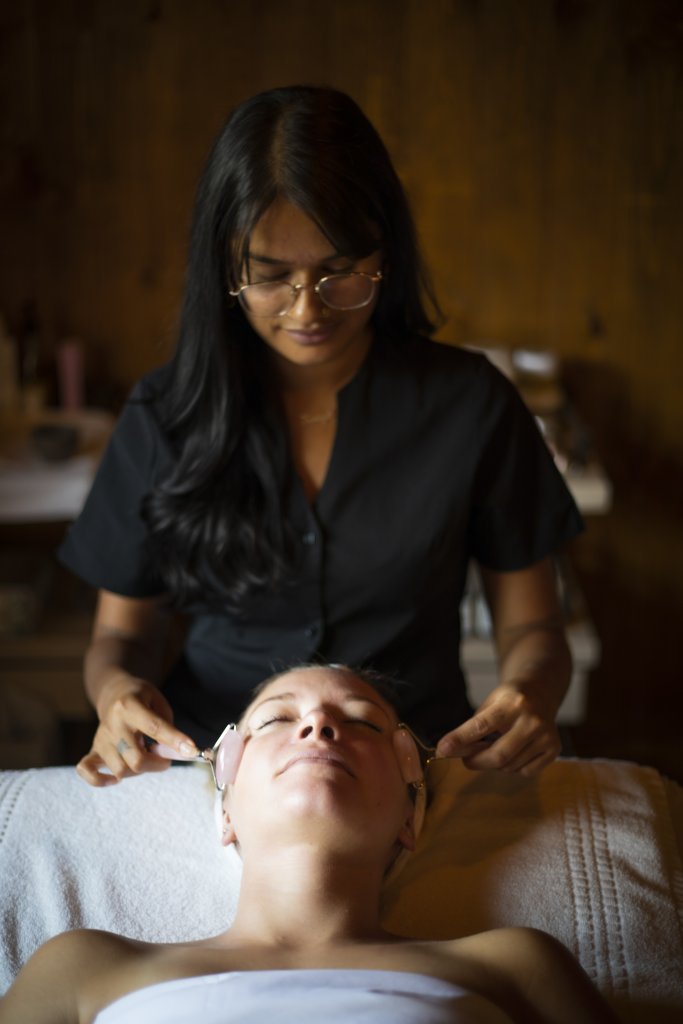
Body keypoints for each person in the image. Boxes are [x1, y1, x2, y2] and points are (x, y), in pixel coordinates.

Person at [58, 85, 584, 788]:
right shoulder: (165, 414)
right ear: (225, 268)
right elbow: (121, 637)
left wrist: (531, 693)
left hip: (415, 762)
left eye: (339, 271)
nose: (308, 308)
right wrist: (117, 692)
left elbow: (531, 631)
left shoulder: (471, 406)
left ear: (384, 254)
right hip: (212, 768)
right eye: (271, 277)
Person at [0, 665, 617, 1023]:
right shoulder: (83, 966)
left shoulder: (515, 967)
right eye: (274, 719)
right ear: (226, 811)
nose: (319, 725)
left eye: (362, 722)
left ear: (413, 815)